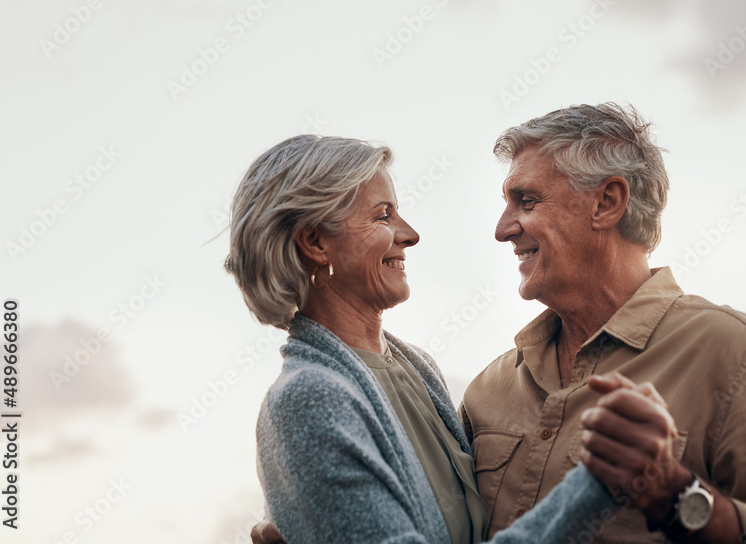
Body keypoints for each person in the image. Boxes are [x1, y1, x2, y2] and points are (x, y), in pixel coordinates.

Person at [226, 135, 660, 544]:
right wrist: (597, 483)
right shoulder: (307, 399)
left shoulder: (417, 368)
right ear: (315, 241)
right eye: (383, 215)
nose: (410, 234)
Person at [462, 103, 746, 542]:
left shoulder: (732, 352)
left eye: (525, 201)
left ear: (607, 203)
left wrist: (674, 495)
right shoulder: (485, 391)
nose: (502, 228)